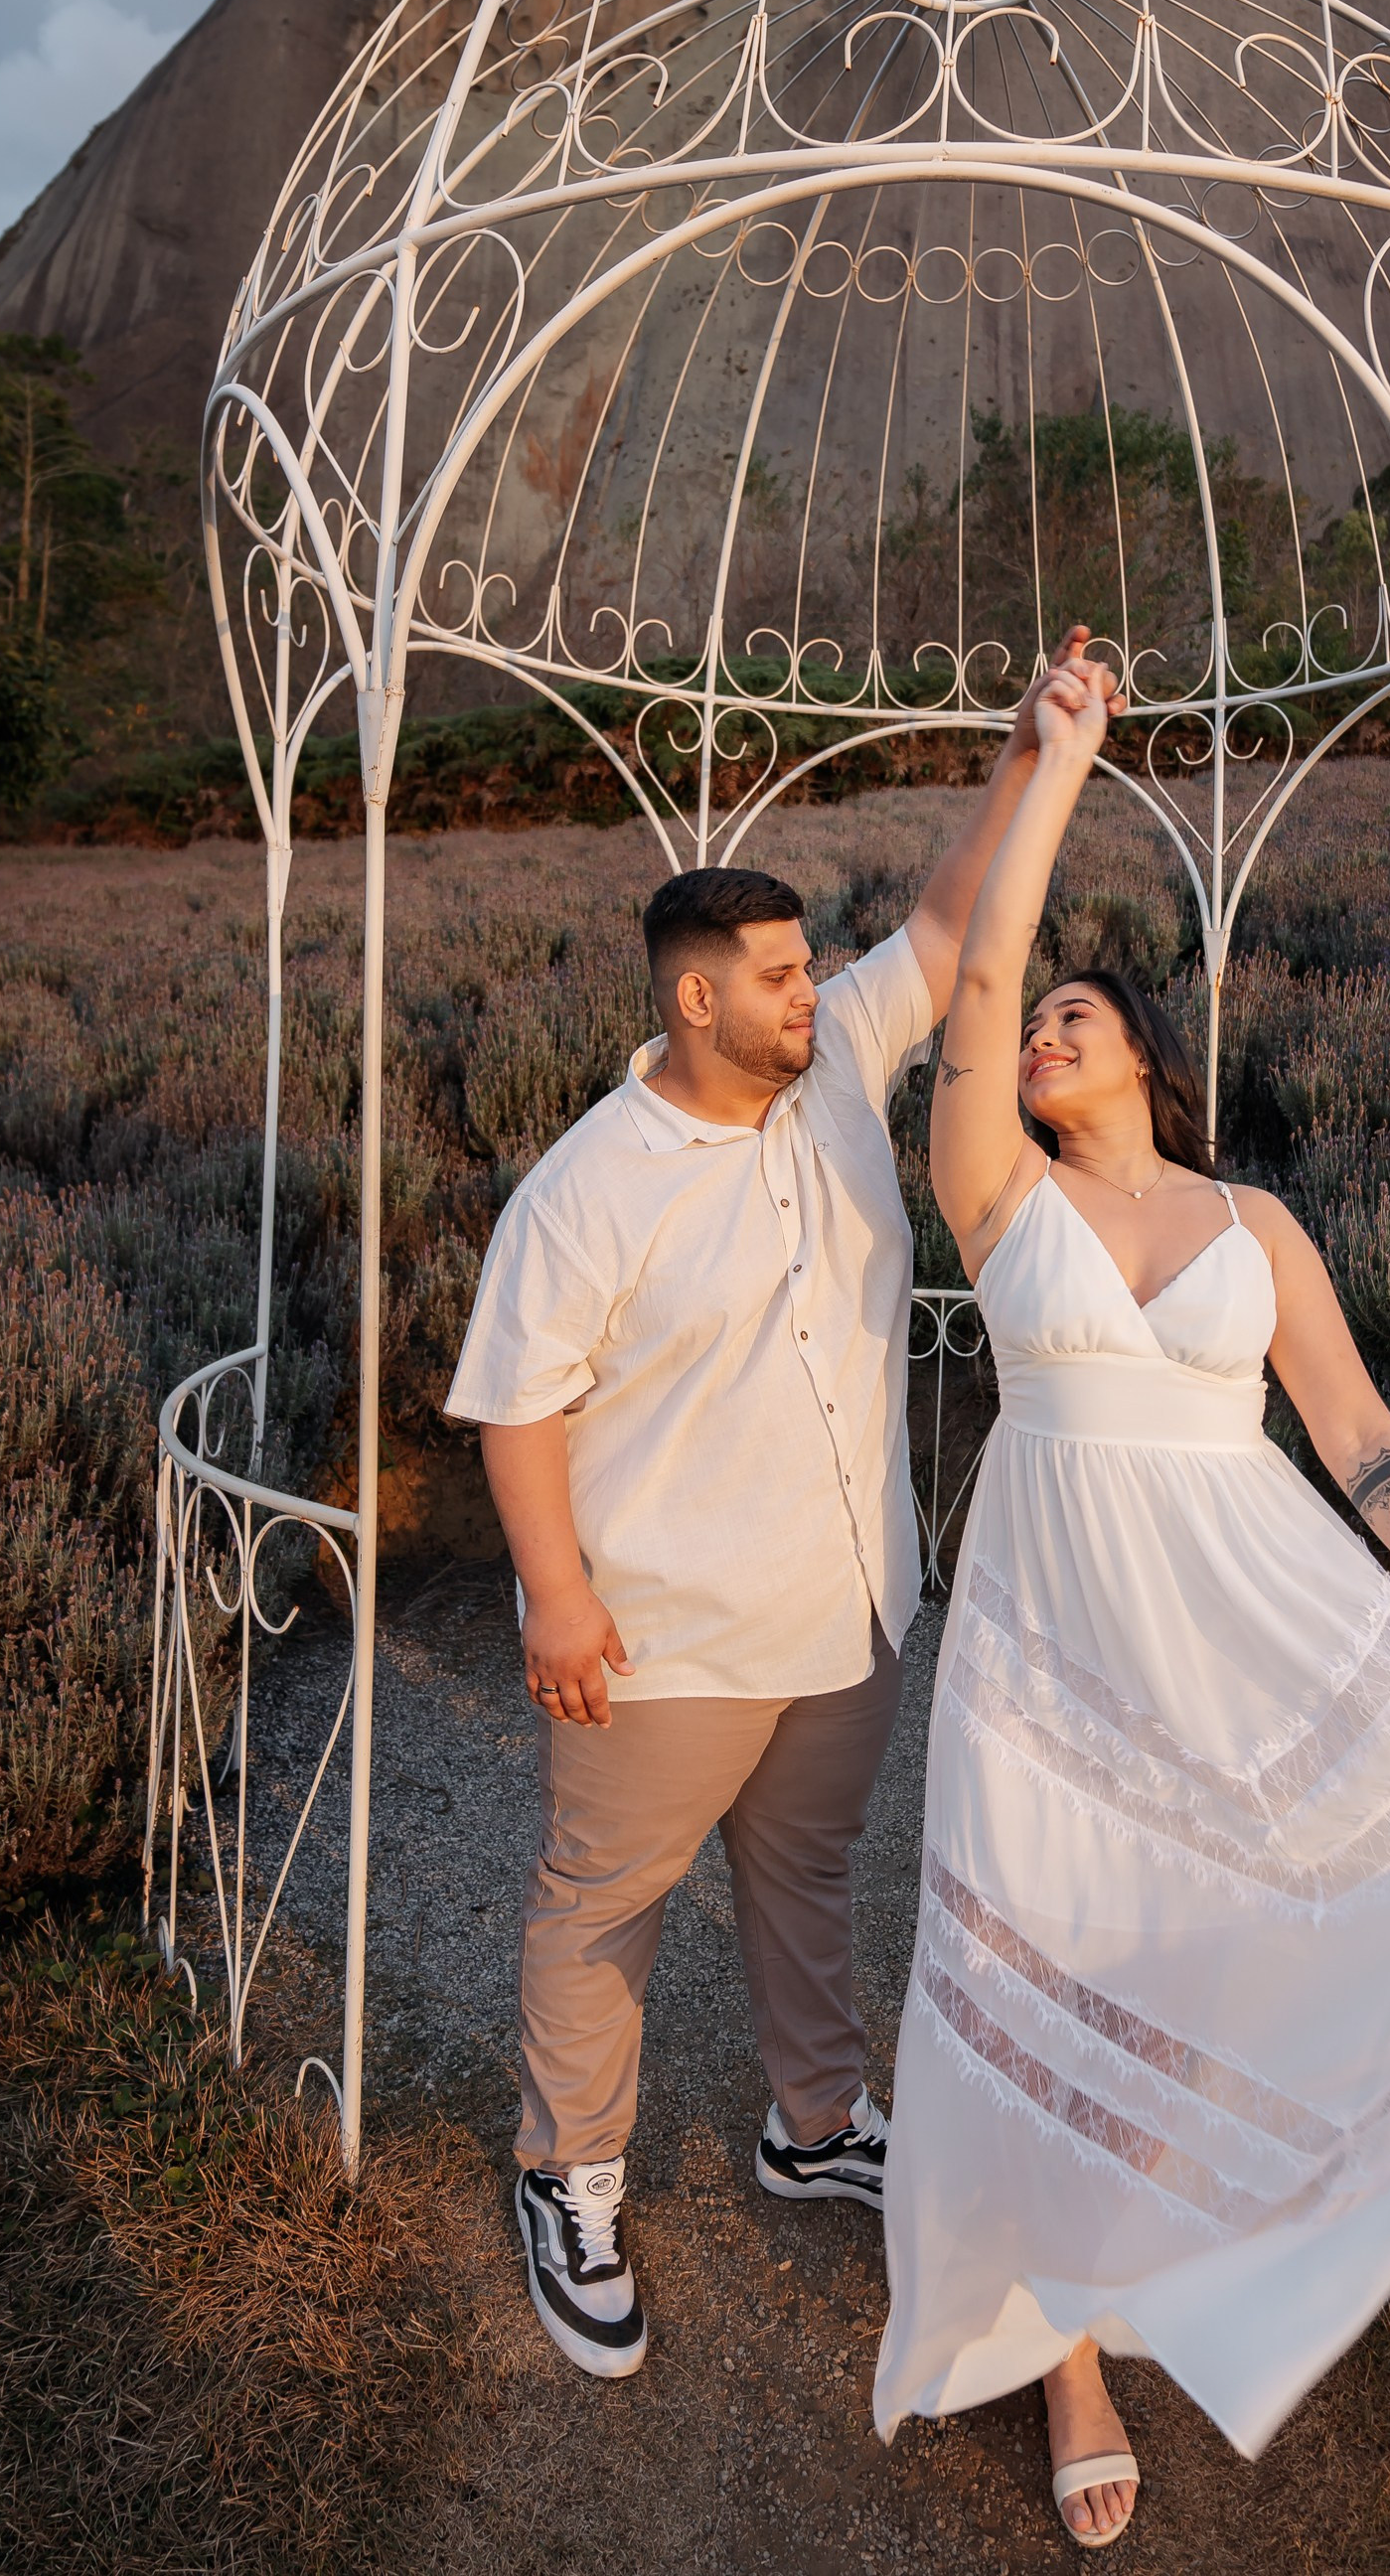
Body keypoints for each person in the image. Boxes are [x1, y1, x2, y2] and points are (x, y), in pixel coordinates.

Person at [873, 660, 1390, 2548]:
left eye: (1080, 1019)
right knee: (1030, 1965)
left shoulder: (1255, 1228)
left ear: (1148, 1060)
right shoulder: (996, 1193)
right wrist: (1054, 769)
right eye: (1039, 1022)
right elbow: (979, 981)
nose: (1043, 1035)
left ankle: (1185, 2235)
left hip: (1244, 1630)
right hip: (1051, 1654)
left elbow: (1366, 1446)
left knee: (1195, 1959)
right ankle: (1064, 2356)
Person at [444, 632, 1096, 2380]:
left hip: (848, 1603)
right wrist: (557, 1597)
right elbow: (517, 1402)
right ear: (694, 1001)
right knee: (605, 1905)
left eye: (814, 967)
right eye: (784, 975)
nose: (818, 992)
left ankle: (813, 2125)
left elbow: (946, 927)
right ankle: (569, 2174)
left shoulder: (837, 1065)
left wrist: (1023, 752)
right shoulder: (588, 1186)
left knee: (807, 1876)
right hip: (666, 1634)